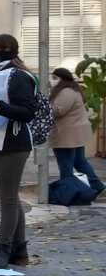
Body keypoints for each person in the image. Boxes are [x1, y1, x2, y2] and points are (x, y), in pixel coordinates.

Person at [0, 34, 37, 269]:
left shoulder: (20, 76)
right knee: (9, 197)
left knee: (9, 199)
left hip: (14, 142)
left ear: (5, 50)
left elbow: (27, 112)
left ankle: (2, 250)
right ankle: (20, 250)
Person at [48, 67, 105, 202]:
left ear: (62, 79)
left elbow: (58, 111)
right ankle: (97, 186)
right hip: (75, 134)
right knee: (80, 162)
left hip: (67, 135)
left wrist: (44, 107)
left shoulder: (66, 92)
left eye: (55, 78)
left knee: (66, 165)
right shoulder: (73, 90)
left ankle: (67, 194)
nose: (52, 81)